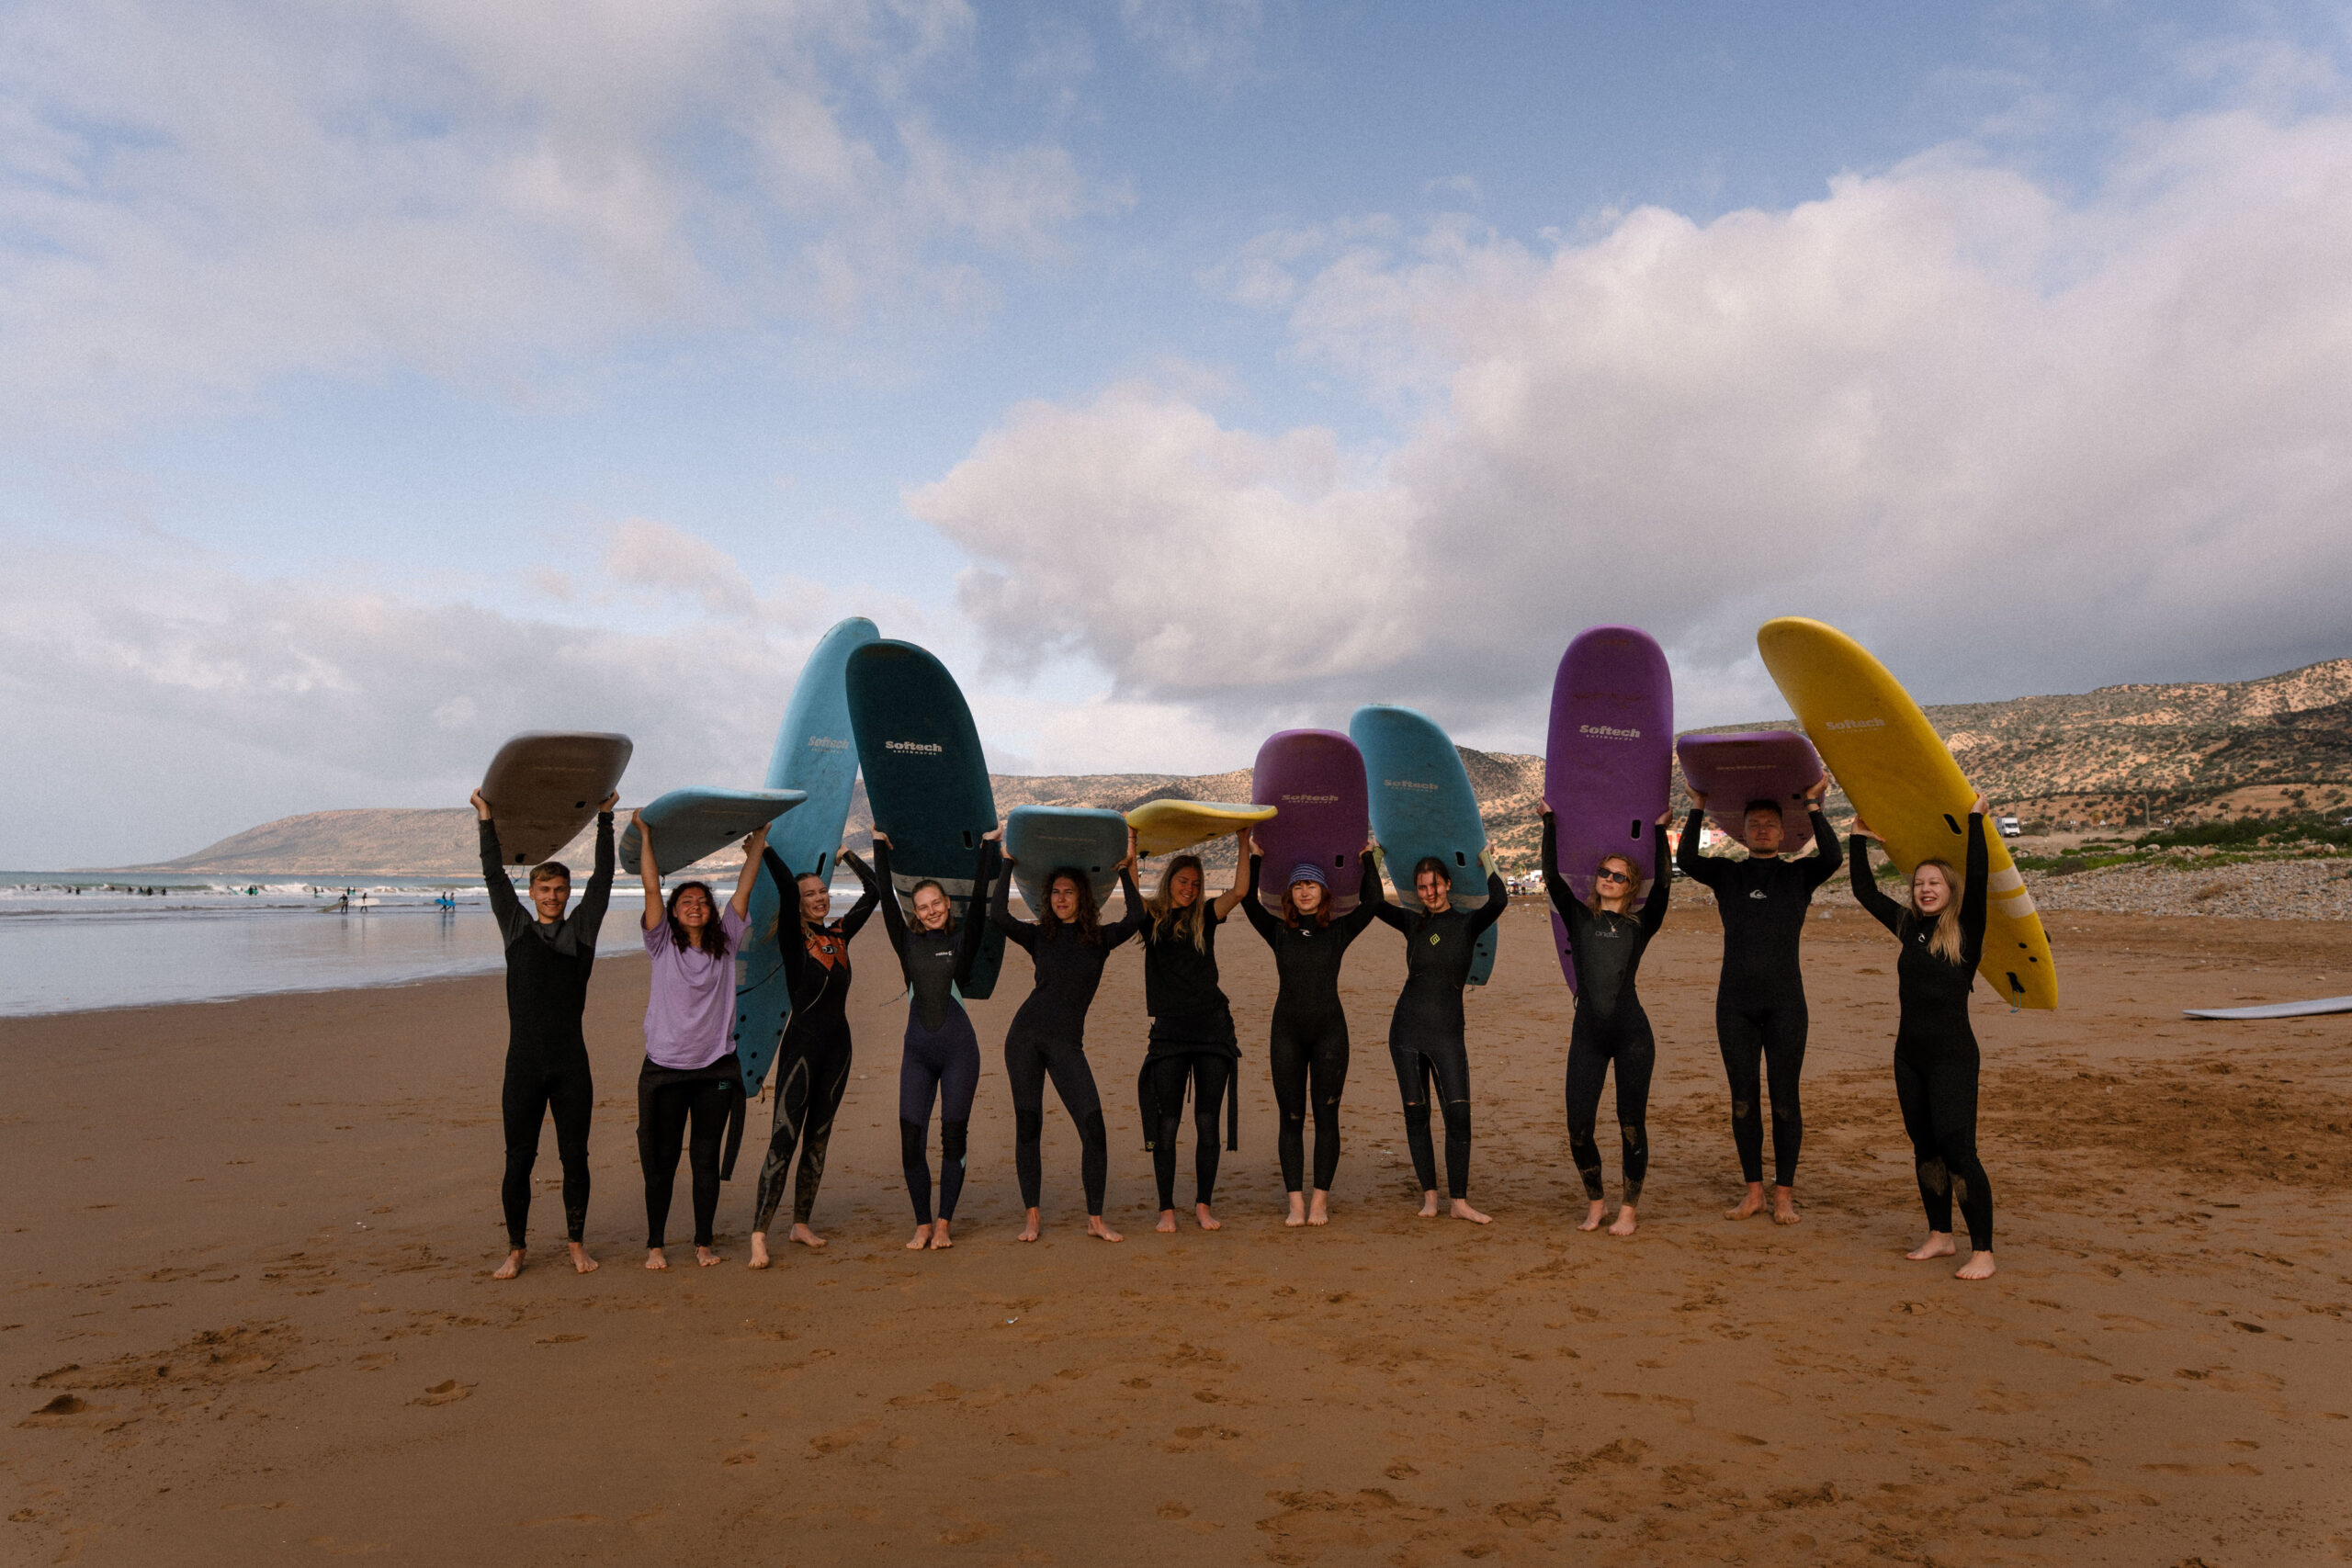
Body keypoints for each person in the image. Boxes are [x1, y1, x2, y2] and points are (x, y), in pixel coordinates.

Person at [1675, 778, 1838, 1224]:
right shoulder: (1728, 874)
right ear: (1741, 832)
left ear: (1784, 833)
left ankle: (1783, 1192)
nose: (1763, 830)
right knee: (1742, 1100)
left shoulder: (1798, 875)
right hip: (1735, 1005)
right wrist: (1698, 806)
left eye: (1770, 825)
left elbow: (1834, 857)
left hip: (1786, 1002)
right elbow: (1686, 858)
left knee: (1785, 1100)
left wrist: (1812, 805)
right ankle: (1754, 1192)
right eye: (1755, 825)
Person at [1849, 796, 1998, 1280]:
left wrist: (1976, 822)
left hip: (1953, 1056)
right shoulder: (1908, 926)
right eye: (1919, 883)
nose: (1925, 889)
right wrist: (1857, 838)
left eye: (1934, 883)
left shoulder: (1966, 930)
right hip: (1908, 1054)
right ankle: (1940, 1234)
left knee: (1959, 1149)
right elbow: (1864, 891)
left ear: (1949, 890)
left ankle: (1983, 1251)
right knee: (1924, 1148)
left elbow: (1979, 877)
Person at [473, 786, 617, 1280]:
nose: (552, 897)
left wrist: (605, 820)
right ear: (532, 894)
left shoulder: (582, 932)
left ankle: (576, 1242)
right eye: (544, 890)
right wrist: (486, 818)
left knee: (575, 1156)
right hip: (524, 1065)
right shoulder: (515, 927)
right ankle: (517, 1249)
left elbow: (603, 881)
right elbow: (493, 875)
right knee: (519, 1158)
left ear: (567, 894)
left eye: (559, 890)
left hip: (570, 1063)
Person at [989, 828, 1146, 1243]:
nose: (1060, 898)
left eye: (1068, 892)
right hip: (1024, 1037)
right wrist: (1006, 863)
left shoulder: (1099, 939)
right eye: (1055, 892)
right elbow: (999, 916)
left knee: (1093, 1126)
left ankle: (1095, 1219)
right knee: (1029, 1124)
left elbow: (1137, 917)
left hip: (1065, 1044)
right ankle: (1032, 1217)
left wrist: (1128, 871)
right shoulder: (1041, 934)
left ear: (1082, 897)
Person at [633, 813, 766, 1271]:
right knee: (663, 1161)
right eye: (686, 901)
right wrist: (647, 836)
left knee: (705, 1161)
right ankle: (655, 1244)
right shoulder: (660, 944)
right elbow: (652, 888)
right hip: (666, 1068)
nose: (695, 906)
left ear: (712, 911)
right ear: (673, 911)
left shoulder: (727, 941)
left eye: (702, 902)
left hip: (714, 1069)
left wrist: (759, 844)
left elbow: (743, 892)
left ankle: (703, 1243)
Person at [745, 845, 881, 1267]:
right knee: (783, 1140)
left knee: (818, 1141)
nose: (819, 898)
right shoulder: (793, 935)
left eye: (823, 892)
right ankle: (759, 1233)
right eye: (810, 894)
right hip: (801, 1049)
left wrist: (849, 855)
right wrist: (764, 848)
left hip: (839, 1048)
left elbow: (874, 891)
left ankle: (800, 1222)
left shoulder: (839, 934)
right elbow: (786, 889)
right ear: (799, 903)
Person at [1541, 809, 1673, 1236]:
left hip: (1632, 1033)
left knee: (1630, 1122)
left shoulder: (1640, 924)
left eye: (1618, 876)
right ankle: (1596, 1202)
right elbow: (1552, 878)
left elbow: (1666, 887)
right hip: (1589, 1035)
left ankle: (1629, 1209)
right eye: (1604, 873)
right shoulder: (1580, 919)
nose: (1609, 880)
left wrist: (1658, 830)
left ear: (1630, 886)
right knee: (1578, 1125)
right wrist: (1549, 824)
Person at [1240, 835, 1385, 1225]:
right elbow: (1248, 901)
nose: (1304, 891)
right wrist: (1253, 857)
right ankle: (1296, 1203)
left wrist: (1369, 858)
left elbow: (1373, 903)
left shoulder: (1337, 931)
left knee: (1326, 1117)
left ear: (1324, 892)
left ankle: (1319, 1199)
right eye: (1298, 885)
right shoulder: (1278, 932)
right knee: (1290, 1118)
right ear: (1290, 894)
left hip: (1329, 1034)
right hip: (1286, 1032)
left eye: (1311, 884)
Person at [865, 830, 1000, 1251]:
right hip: (918, 1054)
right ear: (916, 913)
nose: (930, 911)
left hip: (960, 1053)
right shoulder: (906, 943)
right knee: (911, 1138)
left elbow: (980, 904)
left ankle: (943, 1223)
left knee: (953, 1137)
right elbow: (886, 899)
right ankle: (922, 1222)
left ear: (946, 905)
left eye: (936, 904)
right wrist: (878, 850)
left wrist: (988, 850)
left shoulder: (962, 940)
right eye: (922, 907)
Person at [1373, 850, 1510, 1223]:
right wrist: (1374, 857)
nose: (1429, 892)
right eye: (1422, 887)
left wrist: (1485, 858)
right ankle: (1430, 1197)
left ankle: (1459, 1201)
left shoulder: (1466, 924)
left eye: (1435, 884)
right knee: (1416, 1115)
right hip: (1406, 1030)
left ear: (1447, 884)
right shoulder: (1411, 923)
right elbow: (1371, 901)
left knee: (1459, 1114)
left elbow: (1499, 899)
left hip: (1447, 1032)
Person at [1136, 837, 1254, 1234]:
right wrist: (1133, 844)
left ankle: (1203, 1205)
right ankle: (1166, 1209)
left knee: (1207, 1121)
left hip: (1211, 1029)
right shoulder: (1150, 917)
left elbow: (1240, 890)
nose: (1189, 889)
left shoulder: (1205, 915)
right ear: (1170, 880)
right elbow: (1130, 886)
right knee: (1166, 1123)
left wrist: (1243, 841)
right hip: (1169, 1032)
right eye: (1183, 881)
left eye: (1195, 884)